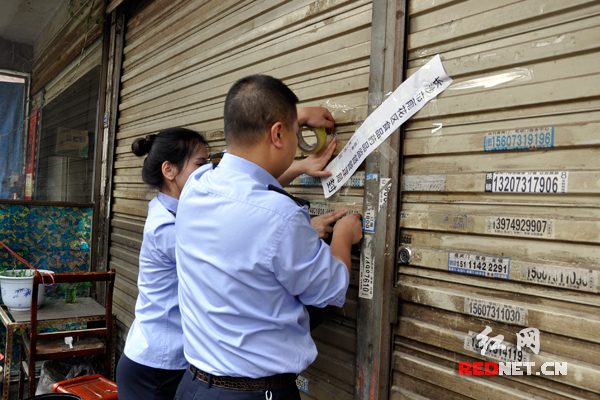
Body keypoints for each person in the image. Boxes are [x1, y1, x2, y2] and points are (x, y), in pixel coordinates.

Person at [117, 114, 345, 400]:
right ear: (169, 171)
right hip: (158, 365)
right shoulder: (166, 227)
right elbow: (237, 235)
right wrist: (307, 231)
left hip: (173, 361)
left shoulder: (184, 200)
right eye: (201, 164)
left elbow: (240, 177)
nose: (212, 172)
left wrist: (296, 163)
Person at [174, 75, 363, 400]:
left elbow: (240, 171)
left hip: (192, 386)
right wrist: (343, 237)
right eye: (294, 132)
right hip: (252, 394)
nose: (296, 140)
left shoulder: (196, 184)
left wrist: (296, 123)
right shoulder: (281, 215)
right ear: (277, 134)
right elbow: (330, 289)